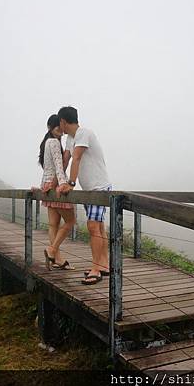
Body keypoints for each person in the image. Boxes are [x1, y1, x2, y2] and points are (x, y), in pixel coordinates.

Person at [57, 106, 112, 285]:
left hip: (99, 187)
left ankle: (96, 268)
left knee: (93, 227)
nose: (60, 127)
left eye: (60, 123)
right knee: (99, 227)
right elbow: (66, 160)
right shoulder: (71, 139)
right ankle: (103, 265)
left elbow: (77, 158)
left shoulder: (84, 133)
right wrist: (57, 181)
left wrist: (70, 184)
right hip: (89, 189)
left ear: (64, 121)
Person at [38, 114, 76, 270]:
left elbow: (48, 167)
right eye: (57, 127)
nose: (60, 130)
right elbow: (59, 167)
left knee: (53, 224)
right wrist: (62, 185)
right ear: (50, 127)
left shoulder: (46, 142)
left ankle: (57, 260)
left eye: (61, 127)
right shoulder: (54, 143)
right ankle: (52, 250)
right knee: (70, 221)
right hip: (55, 186)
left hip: (47, 185)